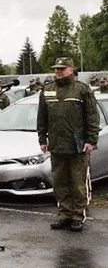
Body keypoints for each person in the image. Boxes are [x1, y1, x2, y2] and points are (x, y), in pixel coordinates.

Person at [38, 57, 100, 232]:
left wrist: (91, 140)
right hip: (57, 146)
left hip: (77, 145)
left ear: (71, 70)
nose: (58, 72)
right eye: (56, 69)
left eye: (62, 69)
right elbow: (42, 117)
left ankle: (78, 215)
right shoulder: (48, 90)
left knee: (78, 182)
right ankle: (65, 213)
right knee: (60, 182)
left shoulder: (82, 90)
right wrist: (42, 138)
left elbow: (92, 117)